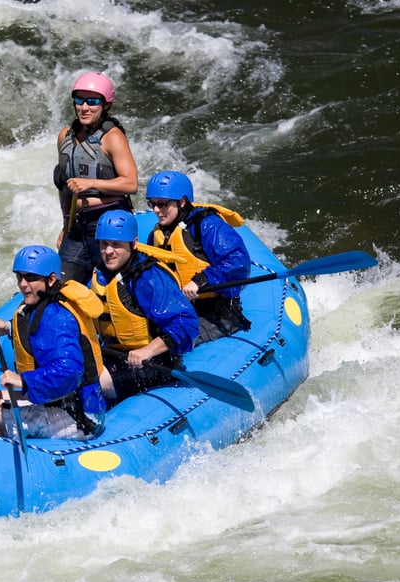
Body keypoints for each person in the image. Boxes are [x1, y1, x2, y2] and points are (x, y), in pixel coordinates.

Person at [0, 245, 106, 441]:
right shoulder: (45, 304)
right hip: (59, 404)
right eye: (20, 277)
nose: (23, 284)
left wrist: (24, 380)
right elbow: (38, 333)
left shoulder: (58, 317)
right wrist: (8, 328)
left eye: (31, 278)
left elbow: (70, 371)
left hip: (79, 417)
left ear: (51, 280)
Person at [92, 210, 200, 403]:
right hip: (113, 353)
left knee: (93, 382)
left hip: (154, 363)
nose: (108, 251)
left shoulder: (148, 278)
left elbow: (186, 323)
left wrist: (148, 351)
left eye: (116, 245)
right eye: (104, 244)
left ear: (133, 244)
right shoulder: (101, 273)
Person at [145, 170, 252, 343]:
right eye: (153, 204)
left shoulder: (208, 225)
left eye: (163, 204)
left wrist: (200, 280)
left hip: (214, 313)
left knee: (169, 343)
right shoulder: (157, 235)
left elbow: (237, 263)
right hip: (177, 310)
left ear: (182, 202)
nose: (156, 210)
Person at [54, 71, 139, 286]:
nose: (84, 107)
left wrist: (91, 183)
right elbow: (65, 188)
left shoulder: (112, 137)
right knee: (62, 289)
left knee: (116, 289)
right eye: (79, 100)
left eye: (92, 101)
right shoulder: (65, 137)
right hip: (77, 226)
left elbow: (131, 183)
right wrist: (66, 226)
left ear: (105, 105)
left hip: (109, 223)